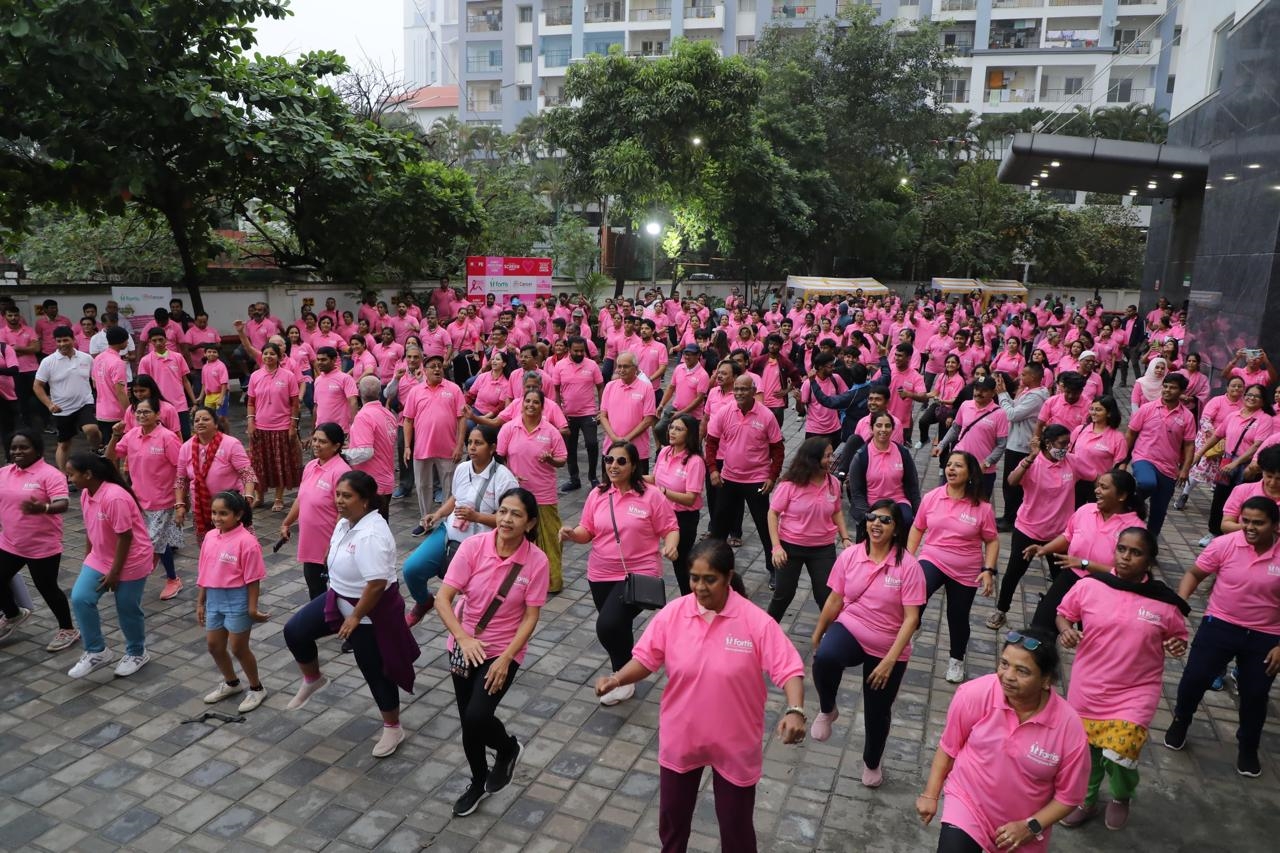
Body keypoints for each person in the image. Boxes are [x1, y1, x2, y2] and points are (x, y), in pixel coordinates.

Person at [594, 539, 805, 853]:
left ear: (728, 576)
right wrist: (616, 678)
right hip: (682, 737)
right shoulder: (674, 614)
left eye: (710, 579)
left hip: (735, 744)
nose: (700, 587)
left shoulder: (755, 622)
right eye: (694, 578)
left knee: (737, 830)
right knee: (672, 824)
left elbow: (789, 669)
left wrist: (795, 710)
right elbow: (647, 659)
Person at [1055, 527, 1189, 831]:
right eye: (1122, 549)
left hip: (1135, 692)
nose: (1126, 557)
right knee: (1085, 752)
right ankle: (1085, 800)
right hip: (1088, 686)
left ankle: (1120, 795)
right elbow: (1063, 613)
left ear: (1150, 562)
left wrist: (1177, 645)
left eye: (1136, 552)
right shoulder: (1090, 586)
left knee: (1120, 753)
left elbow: (1178, 638)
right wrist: (1065, 630)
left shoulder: (1165, 603)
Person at [916, 627, 1090, 853]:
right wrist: (931, 795)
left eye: (1022, 671)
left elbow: (1069, 797)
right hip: (968, 804)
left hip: (1024, 830)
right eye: (1004, 664)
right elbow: (949, 749)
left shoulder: (1069, 728)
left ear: (1046, 681)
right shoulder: (974, 694)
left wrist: (1031, 826)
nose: (1008, 676)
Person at [437, 487, 549, 817]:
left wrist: (505, 659)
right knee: (468, 722)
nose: (506, 519)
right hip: (462, 645)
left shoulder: (536, 561)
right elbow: (443, 599)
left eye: (515, 514)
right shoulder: (473, 547)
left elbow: (531, 616)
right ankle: (477, 781)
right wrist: (463, 638)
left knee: (477, 716)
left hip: (503, 650)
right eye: (502, 511)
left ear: (529, 524)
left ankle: (507, 747)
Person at [810, 500, 925, 788]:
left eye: (885, 520)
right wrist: (818, 632)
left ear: (897, 529)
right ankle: (827, 709)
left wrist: (889, 661)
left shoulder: (909, 567)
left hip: (889, 645)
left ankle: (872, 762)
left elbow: (911, 619)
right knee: (824, 658)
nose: (876, 524)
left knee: (877, 712)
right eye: (872, 517)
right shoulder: (851, 556)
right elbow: (836, 598)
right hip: (852, 627)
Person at [1165, 497, 1280, 778]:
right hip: (1220, 624)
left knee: (1255, 693)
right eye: (1246, 521)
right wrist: (1179, 607)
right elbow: (1194, 574)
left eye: (1258, 523)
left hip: (1266, 635)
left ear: (1275, 525)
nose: (1249, 528)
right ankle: (1181, 719)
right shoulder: (1225, 544)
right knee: (1195, 678)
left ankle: (1248, 746)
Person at [560, 441, 679, 706]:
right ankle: (626, 672)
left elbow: (670, 526)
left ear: (634, 465)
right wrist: (572, 534)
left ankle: (622, 678)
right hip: (600, 573)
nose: (613, 465)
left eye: (621, 461)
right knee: (618, 626)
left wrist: (671, 544)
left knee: (608, 625)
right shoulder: (598, 494)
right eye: (609, 460)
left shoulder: (650, 495)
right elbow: (587, 531)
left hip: (640, 573)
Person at [404, 424, 519, 625]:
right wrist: (438, 514)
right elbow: (455, 499)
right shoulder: (462, 469)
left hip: (482, 544)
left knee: (468, 599)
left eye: (478, 443)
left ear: (492, 448)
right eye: (470, 443)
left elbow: (510, 522)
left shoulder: (504, 479)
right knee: (411, 569)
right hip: (450, 532)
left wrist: (477, 517)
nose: (472, 447)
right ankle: (424, 602)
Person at [908, 451, 999, 684]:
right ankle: (913, 625)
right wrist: (909, 558)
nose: (951, 469)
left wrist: (988, 570)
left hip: (965, 570)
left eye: (958, 466)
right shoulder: (932, 497)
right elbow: (918, 527)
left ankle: (956, 660)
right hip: (933, 557)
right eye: (949, 465)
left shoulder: (982, 508)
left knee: (957, 617)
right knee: (916, 593)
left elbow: (991, 540)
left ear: (970, 473)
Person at [64, 452, 157, 678]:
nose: (69, 479)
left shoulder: (114, 497)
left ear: (88, 474)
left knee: (127, 607)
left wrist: (114, 573)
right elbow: (90, 528)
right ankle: (97, 651)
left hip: (131, 560)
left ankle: (137, 652)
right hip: (100, 557)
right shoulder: (87, 493)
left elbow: (125, 537)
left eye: (71, 475)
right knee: (80, 598)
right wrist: (89, 558)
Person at [1027, 469, 1148, 632]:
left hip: (1105, 588)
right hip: (1071, 577)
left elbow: (1129, 572)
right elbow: (1068, 535)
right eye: (1098, 486)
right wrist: (1044, 549)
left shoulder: (1135, 529)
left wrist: (1085, 564)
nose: (1097, 491)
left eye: (1104, 487)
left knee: (1092, 639)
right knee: (1041, 627)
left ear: (1121, 496)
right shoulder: (1086, 511)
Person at [988, 427, 1076, 630]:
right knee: (1013, 573)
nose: (1066, 448)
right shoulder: (1033, 463)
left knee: (1061, 578)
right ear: (1049, 443)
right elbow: (1012, 481)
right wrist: (1030, 458)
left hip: (1060, 535)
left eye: (1068, 443)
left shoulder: (1071, 462)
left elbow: (1094, 476)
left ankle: (1060, 616)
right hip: (1028, 530)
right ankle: (1001, 610)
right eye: (1062, 443)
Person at [0, 430, 77, 650]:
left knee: (47, 588)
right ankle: (13, 615)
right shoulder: (4, 473)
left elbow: (63, 504)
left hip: (41, 546)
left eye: (23, 447)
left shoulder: (49, 474)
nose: (17, 452)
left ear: (37, 449)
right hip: (10, 542)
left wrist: (42, 507)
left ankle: (68, 629)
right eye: (14, 448)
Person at [196, 491, 271, 713]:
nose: (217, 518)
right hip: (214, 600)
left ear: (238, 515)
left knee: (238, 648)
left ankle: (257, 688)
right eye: (214, 513)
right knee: (214, 646)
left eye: (223, 514)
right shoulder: (210, 537)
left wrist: (252, 608)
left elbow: (253, 579)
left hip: (237, 600)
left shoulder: (247, 542)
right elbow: (204, 572)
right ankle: (232, 683)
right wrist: (201, 602)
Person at [766, 437, 851, 622]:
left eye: (832, 455)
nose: (831, 459)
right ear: (812, 459)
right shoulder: (789, 484)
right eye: (827, 456)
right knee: (783, 595)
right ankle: (765, 635)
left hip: (823, 549)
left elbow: (836, 511)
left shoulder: (833, 483)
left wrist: (845, 538)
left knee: (826, 596)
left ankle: (829, 639)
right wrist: (776, 547)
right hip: (790, 547)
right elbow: (773, 514)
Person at [106, 400, 184, 600]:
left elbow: (181, 469)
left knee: (149, 545)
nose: (141, 415)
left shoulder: (168, 438)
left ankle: (132, 580)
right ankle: (172, 579)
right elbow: (110, 456)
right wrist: (115, 435)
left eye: (146, 412)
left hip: (163, 501)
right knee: (159, 542)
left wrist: (181, 501)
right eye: (138, 412)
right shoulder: (132, 435)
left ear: (158, 415)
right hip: (138, 501)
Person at [706, 374, 785, 566]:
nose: (740, 393)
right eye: (737, 389)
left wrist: (772, 476)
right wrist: (713, 470)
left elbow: (778, 448)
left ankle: (773, 569)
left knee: (765, 529)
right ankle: (715, 568)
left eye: (744, 389)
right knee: (718, 529)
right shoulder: (725, 412)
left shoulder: (766, 415)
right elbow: (711, 443)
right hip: (728, 478)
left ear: (753, 391)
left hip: (756, 480)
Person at [497, 389, 568, 592]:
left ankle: (552, 582)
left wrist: (551, 460)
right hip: (516, 496)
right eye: (527, 401)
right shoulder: (509, 428)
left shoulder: (551, 432)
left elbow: (562, 459)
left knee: (552, 538)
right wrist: (510, 477)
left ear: (542, 406)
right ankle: (518, 583)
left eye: (535, 402)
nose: (530, 405)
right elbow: (500, 458)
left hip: (544, 494)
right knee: (517, 539)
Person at [1190, 383, 1273, 548]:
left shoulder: (1264, 419)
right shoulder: (1233, 416)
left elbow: (1256, 446)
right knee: (1219, 497)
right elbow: (1217, 436)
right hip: (1226, 461)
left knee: (1243, 501)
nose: (1251, 398)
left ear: (1263, 401)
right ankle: (1214, 532)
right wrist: (1199, 453)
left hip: (1247, 466)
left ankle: (1237, 536)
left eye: (1256, 396)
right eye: (1249, 395)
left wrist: (1236, 463)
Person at [280, 423, 352, 600]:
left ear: (336, 446)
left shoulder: (341, 472)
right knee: (315, 589)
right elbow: (301, 498)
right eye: (314, 440)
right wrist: (287, 522)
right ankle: (321, 623)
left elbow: (342, 512)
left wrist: (333, 544)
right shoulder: (311, 466)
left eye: (322, 441)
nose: (316, 444)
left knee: (339, 591)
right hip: (311, 543)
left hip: (330, 544)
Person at [402, 354, 466, 536]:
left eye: (440, 366)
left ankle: (446, 522)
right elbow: (408, 420)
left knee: (449, 487)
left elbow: (461, 419)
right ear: (425, 371)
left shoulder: (453, 389)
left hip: (448, 448)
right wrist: (407, 446)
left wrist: (459, 445)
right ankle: (425, 521)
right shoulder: (415, 391)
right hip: (422, 448)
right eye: (433, 366)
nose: (437, 369)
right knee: (423, 486)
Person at [1126, 372, 1195, 539]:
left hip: (1169, 468)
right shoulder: (1147, 409)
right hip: (1144, 458)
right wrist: (1122, 459)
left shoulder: (1187, 416)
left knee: (1159, 510)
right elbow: (1131, 434)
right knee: (1147, 483)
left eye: (1173, 388)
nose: (1167, 390)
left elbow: (1189, 445)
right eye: (1165, 386)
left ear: (1182, 391)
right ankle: (1130, 502)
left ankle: (1150, 544)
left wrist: (1185, 469)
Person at [174, 407, 257, 542]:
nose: (200, 422)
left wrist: (247, 497)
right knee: (209, 545)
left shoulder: (231, 443)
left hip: (229, 506)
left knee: (237, 544)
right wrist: (180, 505)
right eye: (196, 420)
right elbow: (181, 479)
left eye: (205, 419)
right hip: (201, 507)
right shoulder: (186, 447)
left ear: (216, 424)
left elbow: (247, 473)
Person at [647, 414, 706, 596]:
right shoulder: (664, 452)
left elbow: (691, 498)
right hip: (662, 513)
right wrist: (632, 477)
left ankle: (691, 598)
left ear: (689, 434)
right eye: (671, 427)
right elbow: (655, 479)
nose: (672, 432)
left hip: (683, 518)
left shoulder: (695, 462)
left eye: (679, 429)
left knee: (680, 562)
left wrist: (664, 492)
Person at [34, 326, 101, 471]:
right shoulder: (48, 361)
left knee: (92, 429)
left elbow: (96, 379)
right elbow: (37, 386)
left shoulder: (86, 358)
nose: (62, 344)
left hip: (85, 402)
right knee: (64, 444)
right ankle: (64, 475)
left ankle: (97, 451)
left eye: (66, 340)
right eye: (59, 341)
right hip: (62, 409)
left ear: (73, 339)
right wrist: (49, 404)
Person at [246, 342, 302, 513]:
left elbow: (294, 403)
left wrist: (293, 425)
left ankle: (278, 498)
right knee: (258, 463)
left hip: (282, 426)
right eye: (265, 354)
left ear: (279, 357)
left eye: (272, 354)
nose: (268, 357)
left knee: (280, 464)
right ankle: (259, 496)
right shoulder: (255, 376)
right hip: (260, 427)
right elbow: (251, 402)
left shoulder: (288, 376)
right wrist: (250, 422)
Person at [1176, 376, 1244, 511]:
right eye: (1233, 385)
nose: (1236, 388)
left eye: (1240, 386)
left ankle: (1219, 504)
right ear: (1227, 387)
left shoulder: (1243, 405)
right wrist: (1215, 434)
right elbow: (1205, 419)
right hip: (1209, 440)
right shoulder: (1217, 401)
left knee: (1221, 474)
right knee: (1199, 469)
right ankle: (1184, 494)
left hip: (1230, 445)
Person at [933, 375, 1008, 499]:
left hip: (982, 470)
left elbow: (1001, 445)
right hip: (959, 464)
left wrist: (987, 463)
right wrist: (942, 445)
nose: (978, 393)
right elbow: (955, 428)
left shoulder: (1000, 414)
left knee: (978, 504)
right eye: (976, 389)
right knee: (950, 500)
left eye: (984, 390)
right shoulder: (965, 405)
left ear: (993, 392)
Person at [995, 364, 1049, 531]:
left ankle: (1011, 519)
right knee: (1008, 483)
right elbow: (1014, 407)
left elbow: (1012, 414)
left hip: (1021, 445)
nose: (1020, 377)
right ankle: (1008, 515)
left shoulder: (1036, 397)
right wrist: (1006, 395)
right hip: (1015, 440)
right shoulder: (1027, 392)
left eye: (1024, 374)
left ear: (1033, 378)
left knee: (1013, 484)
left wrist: (1002, 394)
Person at [848, 410, 921, 534]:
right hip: (871, 504)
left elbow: (913, 485)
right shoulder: (861, 456)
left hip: (898, 502)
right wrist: (867, 515)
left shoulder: (902, 453)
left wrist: (920, 513)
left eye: (888, 426)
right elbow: (856, 492)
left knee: (906, 520)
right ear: (871, 428)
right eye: (879, 425)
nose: (883, 429)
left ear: (893, 429)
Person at [342, 376, 398, 519]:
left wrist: (341, 455)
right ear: (380, 392)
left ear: (360, 392)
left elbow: (366, 451)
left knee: (369, 525)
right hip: (386, 479)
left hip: (371, 482)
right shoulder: (388, 414)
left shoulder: (364, 416)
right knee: (381, 523)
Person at [554, 336, 604, 492]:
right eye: (576, 351)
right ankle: (574, 478)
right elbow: (556, 389)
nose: (579, 353)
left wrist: (601, 408)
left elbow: (600, 386)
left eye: (582, 350)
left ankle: (593, 477)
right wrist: (558, 410)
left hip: (588, 412)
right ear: (569, 350)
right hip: (568, 414)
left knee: (592, 444)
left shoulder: (592, 365)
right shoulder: (560, 366)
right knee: (570, 447)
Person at [599, 352, 657, 474]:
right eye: (619, 366)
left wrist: (626, 439)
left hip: (637, 450)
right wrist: (614, 438)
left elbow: (648, 419)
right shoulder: (610, 386)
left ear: (635, 368)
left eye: (626, 366)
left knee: (638, 488)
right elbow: (603, 415)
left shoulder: (646, 388)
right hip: (611, 448)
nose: (621, 370)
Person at [1065, 395, 1127, 507]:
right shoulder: (1080, 430)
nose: (1093, 412)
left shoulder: (1117, 438)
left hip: (1099, 485)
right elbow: (1070, 454)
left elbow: (1120, 466)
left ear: (1109, 413)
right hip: (1076, 482)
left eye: (1098, 410)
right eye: (1092, 409)